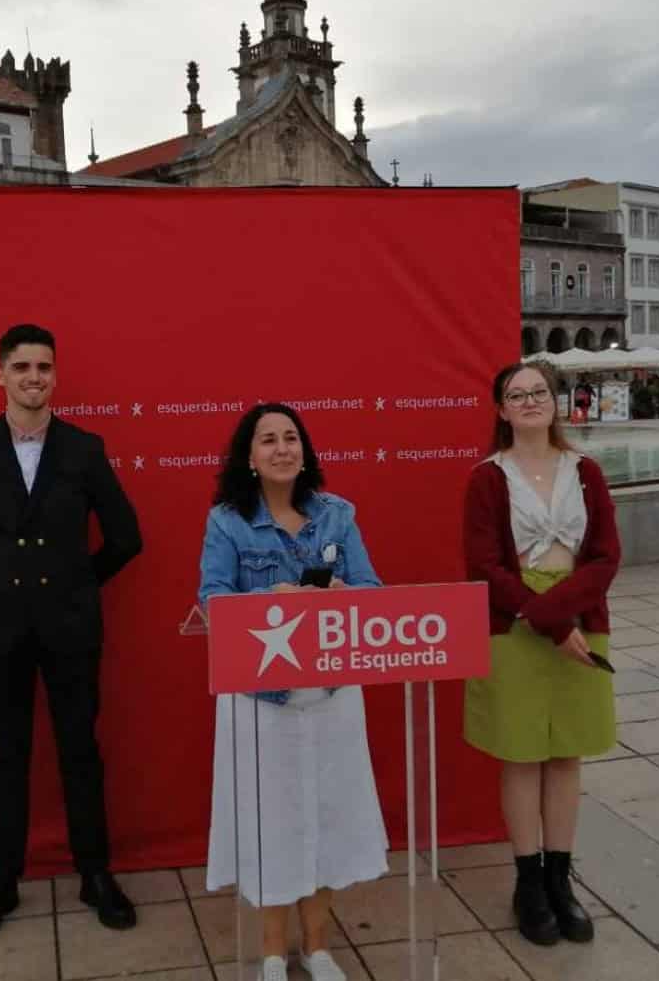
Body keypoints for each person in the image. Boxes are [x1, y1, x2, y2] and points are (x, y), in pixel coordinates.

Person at [0, 323, 143, 944]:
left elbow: (127, 538)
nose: (33, 377)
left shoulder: (86, 449)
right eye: (21, 367)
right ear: (0, 375)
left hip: (71, 628)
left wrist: (76, 584)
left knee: (81, 753)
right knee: (6, 758)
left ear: (56, 376)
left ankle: (96, 877)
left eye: (43, 367)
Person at [199, 403, 388, 981]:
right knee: (271, 826)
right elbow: (211, 598)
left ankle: (319, 947)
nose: (282, 448)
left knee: (327, 820)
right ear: (250, 458)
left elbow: (373, 590)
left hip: (331, 696)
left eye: (291, 438)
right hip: (262, 703)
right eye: (268, 440)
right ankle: (274, 954)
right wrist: (270, 604)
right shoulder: (227, 521)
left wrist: (335, 595)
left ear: (303, 451)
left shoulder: (338, 515)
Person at [462, 362, 620, 947]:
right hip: (516, 626)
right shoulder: (487, 478)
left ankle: (561, 878)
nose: (529, 401)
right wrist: (552, 624)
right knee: (523, 754)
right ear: (501, 410)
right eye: (516, 394)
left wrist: (568, 613)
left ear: (556, 403)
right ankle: (528, 882)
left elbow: (604, 556)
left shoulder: (587, 472)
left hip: (583, 616)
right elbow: (484, 567)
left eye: (539, 392)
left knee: (567, 754)